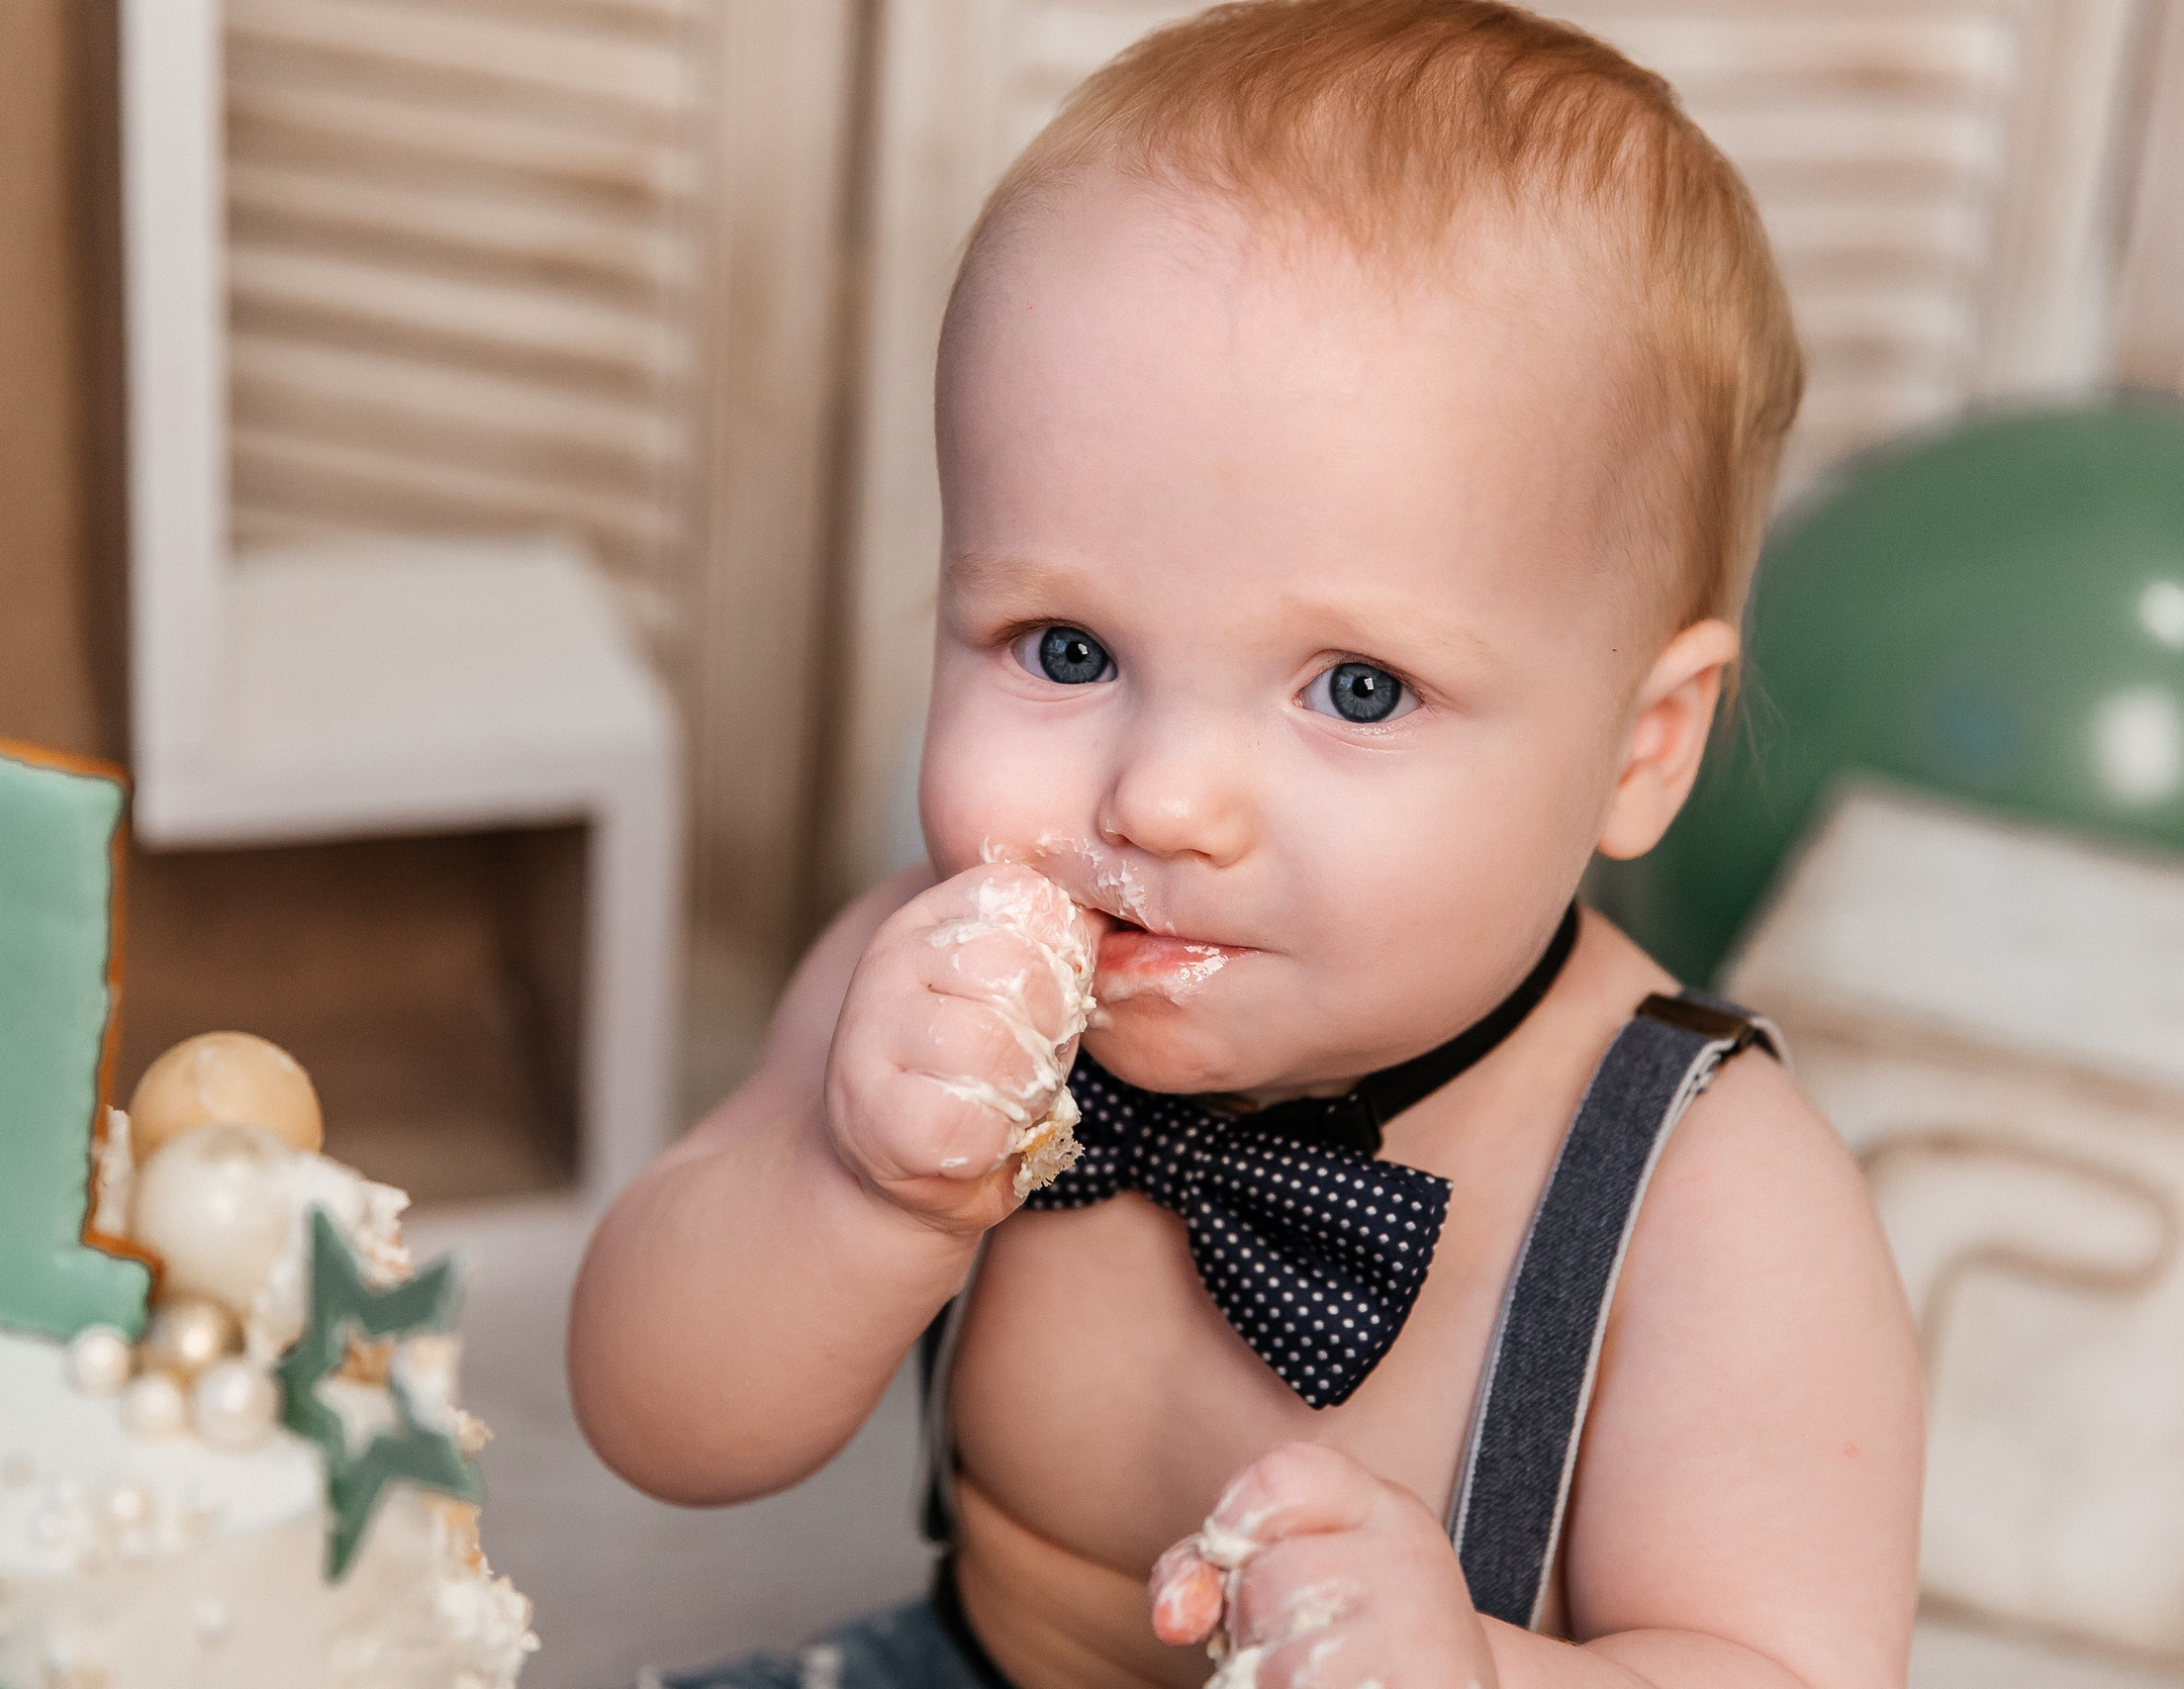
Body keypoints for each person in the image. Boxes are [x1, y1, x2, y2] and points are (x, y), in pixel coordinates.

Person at [570, 4, 1922, 1685]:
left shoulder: (1710, 1196)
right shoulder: (923, 984)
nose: (1163, 802)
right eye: (1066, 649)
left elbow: (1782, 1667)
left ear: (1641, 750)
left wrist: (1485, 1675)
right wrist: (856, 1190)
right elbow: (655, 1422)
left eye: (1357, 690)